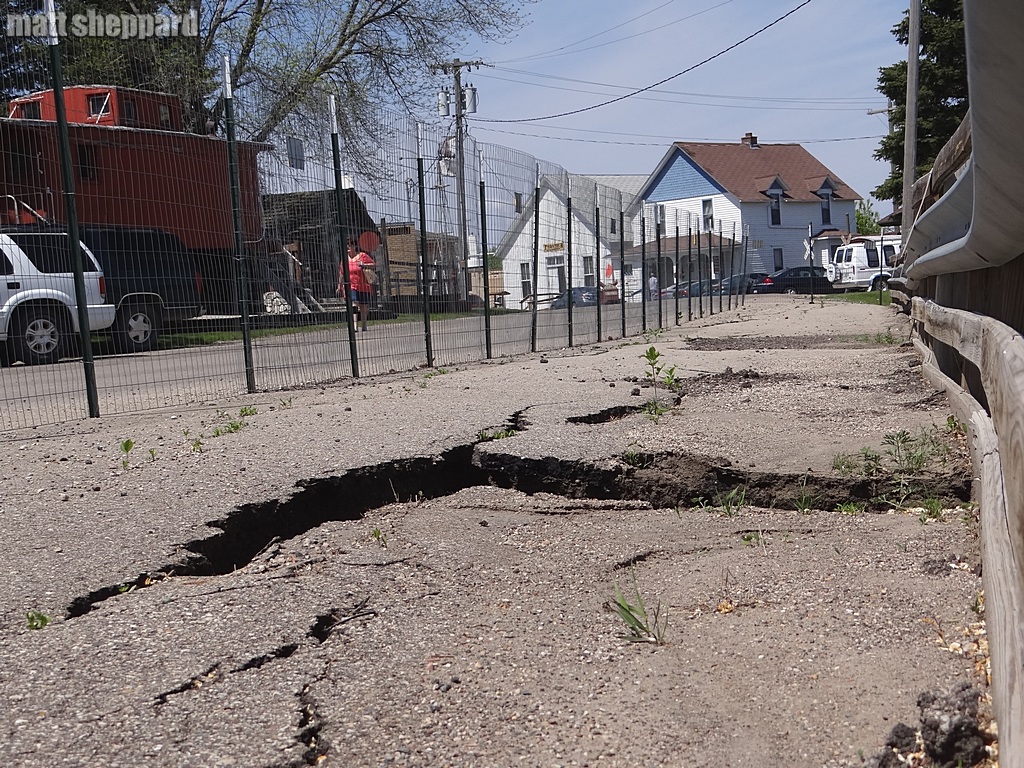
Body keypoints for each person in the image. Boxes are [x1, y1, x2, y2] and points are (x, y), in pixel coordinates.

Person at [337, 239, 375, 332]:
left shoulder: (362, 256)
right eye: (346, 246)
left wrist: (364, 264)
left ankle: (364, 324)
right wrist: (339, 285)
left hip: (363, 285)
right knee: (354, 303)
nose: (348, 248)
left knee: (363, 305)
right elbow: (342, 273)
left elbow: (373, 265)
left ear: (354, 246)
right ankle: (354, 325)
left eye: (349, 245)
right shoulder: (345, 259)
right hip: (351, 285)